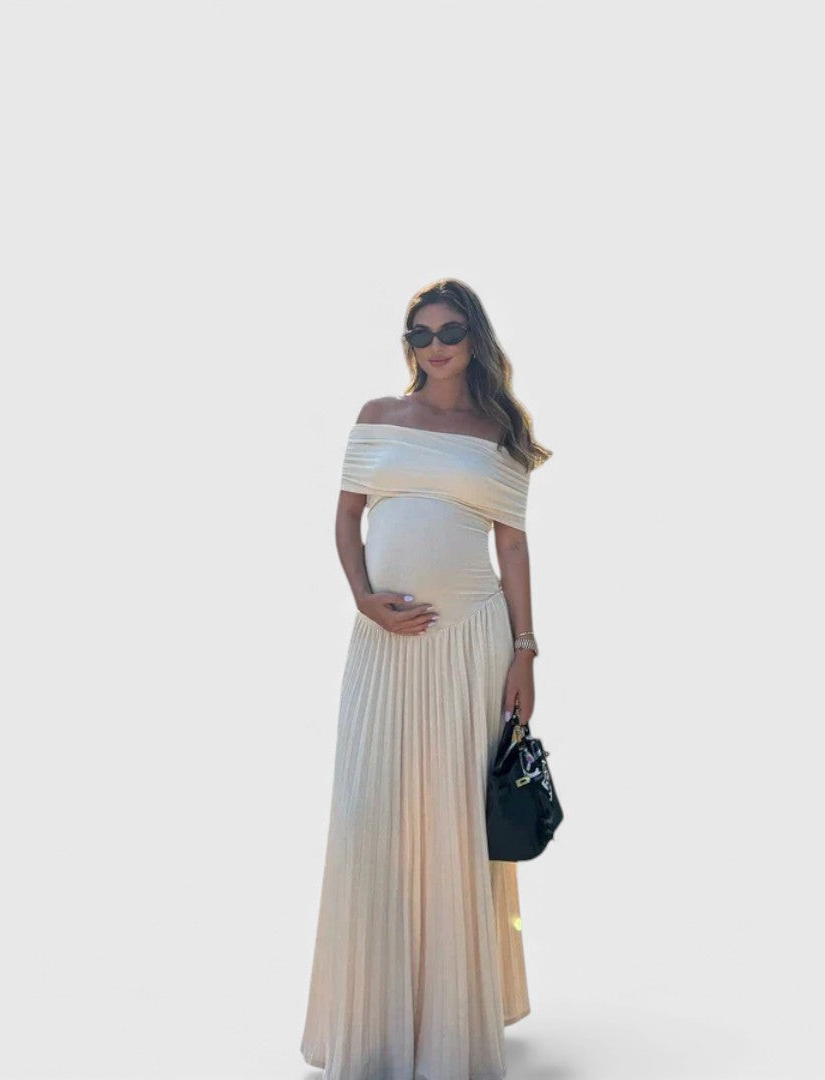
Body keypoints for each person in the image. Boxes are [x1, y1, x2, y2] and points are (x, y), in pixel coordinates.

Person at [300, 278, 552, 1079]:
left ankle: (451, 1020)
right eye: (419, 334)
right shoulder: (379, 416)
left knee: (453, 817)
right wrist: (362, 598)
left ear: (473, 338)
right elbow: (348, 516)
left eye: (448, 331)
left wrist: (525, 650)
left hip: (470, 643)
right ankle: (374, 1021)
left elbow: (512, 545)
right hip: (382, 644)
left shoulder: (499, 433)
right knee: (371, 810)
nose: (434, 346)